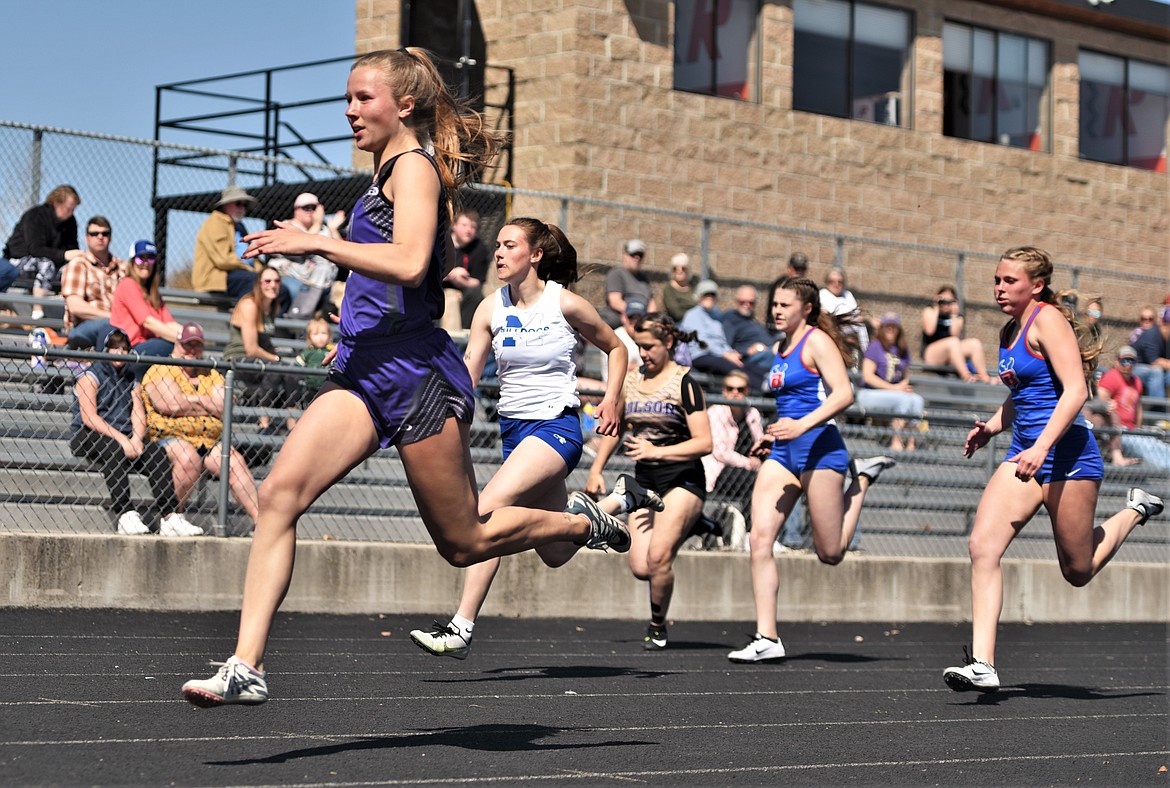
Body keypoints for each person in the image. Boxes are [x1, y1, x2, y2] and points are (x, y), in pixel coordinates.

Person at [181, 48, 630, 708]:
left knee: (464, 543)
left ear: (404, 105)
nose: (349, 109)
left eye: (363, 98)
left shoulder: (414, 170)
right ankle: (247, 665)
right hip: (362, 369)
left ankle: (578, 524)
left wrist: (321, 244)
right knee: (278, 497)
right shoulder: (384, 170)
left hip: (416, 375)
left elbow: (412, 259)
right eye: (349, 97)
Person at [409, 217, 663, 660]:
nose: (500, 253)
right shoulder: (489, 308)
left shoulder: (564, 304)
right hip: (515, 432)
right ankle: (617, 502)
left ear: (536, 255)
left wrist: (611, 402)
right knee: (557, 552)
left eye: (510, 245)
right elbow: (468, 377)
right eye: (499, 245)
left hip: (556, 427)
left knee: (485, 513)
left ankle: (461, 627)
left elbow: (618, 348)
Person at [942, 246, 1163, 694]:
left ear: (1036, 285)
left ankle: (1136, 510)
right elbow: (1021, 396)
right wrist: (991, 427)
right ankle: (983, 662)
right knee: (982, 546)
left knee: (1077, 570)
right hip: (1025, 453)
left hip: (1068, 458)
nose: (999, 288)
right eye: (997, 280)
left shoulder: (1047, 320)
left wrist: (1043, 447)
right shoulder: (1008, 331)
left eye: (1010, 281)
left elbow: (1077, 391)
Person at [727, 277, 895, 664]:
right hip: (784, 453)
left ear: (806, 309)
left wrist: (801, 426)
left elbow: (845, 394)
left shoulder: (816, 341)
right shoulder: (778, 347)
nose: (777, 310)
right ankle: (767, 636)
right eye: (775, 304)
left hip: (822, 450)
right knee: (759, 539)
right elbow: (790, 404)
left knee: (830, 553)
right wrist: (775, 437)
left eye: (785, 305)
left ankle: (863, 479)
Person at [586, 312, 713, 650]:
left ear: (668, 343)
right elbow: (618, 426)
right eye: (639, 347)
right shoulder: (631, 381)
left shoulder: (686, 382)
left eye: (649, 347)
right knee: (641, 566)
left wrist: (657, 450)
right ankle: (693, 526)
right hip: (644, 485)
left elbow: (705, 442)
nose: (643, 354)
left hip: (683, 480)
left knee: (658, 559)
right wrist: (597, 467)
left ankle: (657, 625)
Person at [141, 322, 260, 536]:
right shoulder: (161, 368)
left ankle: (262, 522)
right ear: (177, 344)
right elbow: (170, 405)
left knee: (234, 462)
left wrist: (190, 400)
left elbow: (225, 405)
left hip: (208, 439)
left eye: (197, 345)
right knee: (188, 458)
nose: (192, 351)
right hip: (169, 436)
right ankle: (171, 517)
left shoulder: (210, 372)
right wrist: (207, 403)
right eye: (187, 345)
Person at [69, 326, 185, 535]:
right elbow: (89, 417)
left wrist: (137, 439)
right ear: (104, 349)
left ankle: (170, 515)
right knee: (113, 449)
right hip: (89, 435)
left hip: (124, 434)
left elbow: (138, 411)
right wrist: (123, 440)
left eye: (124, 348)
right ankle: (125, 513)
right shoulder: (90, 375)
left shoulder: (130, 376)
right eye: (114, 348)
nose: (120, 353)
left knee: (156, 453)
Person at [224, 265, 296, 432]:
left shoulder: (272, 307)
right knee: (274, 368)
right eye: (267, 281)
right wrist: (276, 359)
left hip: (259, 359)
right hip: (238, 357)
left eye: (277, 281)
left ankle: (293, 423)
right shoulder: (249, 304)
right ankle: (264, 422)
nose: (272, 285)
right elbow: (251, 349)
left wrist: (278, 359)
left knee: (291, 372)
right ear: (258, 283)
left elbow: (266, 343)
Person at [700, 369, 763, 549]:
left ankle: (762, 534)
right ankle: (751, 534)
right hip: (720, 471)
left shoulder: (753, 413)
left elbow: (759, 443)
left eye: (740, 389)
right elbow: (719, 452)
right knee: (754, 480)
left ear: (747, 391)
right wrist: (748, 463)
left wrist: (760, 462)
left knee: (767, 479)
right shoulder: (716, 412)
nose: (735, 393)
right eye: (730, 389)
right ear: (723, 391)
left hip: (747, 470)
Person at [1, 185, 83, 320]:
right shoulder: (36, 215)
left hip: (51, 262)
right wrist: (64, 255)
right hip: (19, 260)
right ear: (57, 203)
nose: (71, 213)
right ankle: (38, 310)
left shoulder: (70, 222)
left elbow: (72, 248)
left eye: (73, 209)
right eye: (69, 209)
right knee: (47, 264)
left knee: (74, 268)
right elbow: (35, 249)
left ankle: (71, 312)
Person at [1089, 345, 1170, 470]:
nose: (1128, 364)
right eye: (1124, 360)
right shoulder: (1111, 377)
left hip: (1132, 430)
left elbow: (1138, 407)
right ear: (1117, 361)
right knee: (1147, 447)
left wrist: (1137, 427)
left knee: (1157, 444)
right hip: (1117, 431)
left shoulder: (1136, 381)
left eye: (1131, 361)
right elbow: (1102, 402)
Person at [110, 240, 182, 376]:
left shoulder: (152, 293)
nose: (145, 263)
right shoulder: (128, 284)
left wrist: (191, 336)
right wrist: (182, 341)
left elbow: (169, 322)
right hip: (129, 350)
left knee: (182, 348)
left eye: (150, 258)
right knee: (171, 346)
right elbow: (147, 322)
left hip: (148, 346)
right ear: (132, 262)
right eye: (140, 258)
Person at [267, 192, 344, 319]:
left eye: (314, 208)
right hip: (291, 277)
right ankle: (293, 322)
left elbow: (341, 251)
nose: (310, 211)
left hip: (323, 283)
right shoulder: (286, 225)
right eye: (306, 208)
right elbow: (300, 248)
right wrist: (317, 224)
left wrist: (333, 229)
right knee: (296, 289)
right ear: (296, 210)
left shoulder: (323, 229)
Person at [857, 312, 925, 452]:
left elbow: (905, 377)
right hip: (870, 393)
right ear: (882, 328)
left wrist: (903, 387)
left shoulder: (902, 349)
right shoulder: (875, 346)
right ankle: (897, 440)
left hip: (894, 393)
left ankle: (911, 442)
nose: (891, 329)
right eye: (887, 326)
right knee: (903, 400)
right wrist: (894, 388)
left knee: (917, 400)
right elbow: (867, 376)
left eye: (894, 326)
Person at [680, 279, 762, 389]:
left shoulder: (716, 315)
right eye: (706, 294)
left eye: (712, 295)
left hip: (717, 354)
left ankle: (768, 380)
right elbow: (703, 341)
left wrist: (730, 352)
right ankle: (761, 386)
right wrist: (725, 354)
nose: (709, 297)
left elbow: (721, 340)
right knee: (732, 367)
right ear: (699, 296)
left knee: (746, 364)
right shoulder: (692, 315)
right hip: (700, 356)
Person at [59, 216, 126, 349]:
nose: (100, 237)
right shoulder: (78, 264)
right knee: (110, 327)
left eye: (105, 234)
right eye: (94, 234)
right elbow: (75, 306)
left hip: (119, 324)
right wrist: (112, 317)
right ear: (87, 238)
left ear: (110, 237)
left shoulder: (122, 267)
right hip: (83, 328)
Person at [192, 187, 260, 303]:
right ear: (226, 205)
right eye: (238, 204)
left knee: (280, 288)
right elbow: (223, 260)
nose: (242, 208)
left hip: (240, 274)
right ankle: (244, 320)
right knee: (253, 280)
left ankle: (269, 320)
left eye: (245, 205)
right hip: (218, 278)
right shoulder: (215, 222)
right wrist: (249, 269)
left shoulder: (239, 227)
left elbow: (253, 256)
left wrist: (265, 272)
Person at [921, 285, 992, 383]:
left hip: (951, 354)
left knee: (974, 343)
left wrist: (954, 314)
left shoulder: (957, 317)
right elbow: (929, 330)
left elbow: (955, 334)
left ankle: (985, 377)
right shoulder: (930, 311)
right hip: (932, 354)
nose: (945, 304)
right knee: (953, 342)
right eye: (943, 300)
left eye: (949, 301)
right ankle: (966, 376)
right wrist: (937, 308)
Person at [441, 208, 490, 331]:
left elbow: (477, 281)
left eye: (472, 227)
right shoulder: (441, 242)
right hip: (440, 284)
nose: (468, 230)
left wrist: (461, 280)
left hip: (463, 287)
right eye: (464, 225)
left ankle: (467, 331)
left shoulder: (479, 248)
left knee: (476, 294)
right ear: (453, 225)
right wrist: (452, 274)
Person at [721, 284, 779, 386]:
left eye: (751, 303)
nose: (747, 305)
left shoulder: (752, 321)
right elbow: (726, 348)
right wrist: (747, 351)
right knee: (780, 352)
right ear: (736, 302)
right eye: (742, 302)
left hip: (768, 350)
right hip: (754, 359)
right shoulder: (731, 319)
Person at [599, 239, 656, 329]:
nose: (637, 258)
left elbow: (651, 304)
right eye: (633, 254)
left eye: (640, 255)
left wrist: (647, 319)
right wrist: (635, 314)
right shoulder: (617, 273)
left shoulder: (644, 279)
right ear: (625, 255)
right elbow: (615, 301)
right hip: (622, 318)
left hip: (642, 319)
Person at [819, 267, 869, 360]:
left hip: (852, 330)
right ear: (826, 282)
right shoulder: (822, 295)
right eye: (832, 281)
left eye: (840, 282)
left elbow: (857, 314)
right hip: (834, 331)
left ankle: (866, 357)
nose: (836, 284)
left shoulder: (847, 295)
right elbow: (832, 316)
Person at [293, 317, 335, 407]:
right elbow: (298, 364)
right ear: (309, 337)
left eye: (323, 333)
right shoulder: (307, 352)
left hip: (327, 387)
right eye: (315, 334)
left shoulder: (332, 351)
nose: (320, 337)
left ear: (329, 335)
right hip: (309, 387)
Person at [1131, 304, 1170, 400]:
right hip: (1131, 367)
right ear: (1163, 323)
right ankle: (1158, 410)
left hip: (1150, 369)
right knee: (1156, 371)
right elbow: (1155, 361)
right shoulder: (1152, 335)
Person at [661, 252, 698, 322]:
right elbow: (676, 313)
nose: (679, 271)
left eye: (683, 268)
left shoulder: (694, 287)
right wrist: (695, 316)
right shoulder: (669, 289)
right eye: (675, 268)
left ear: (688, 270)